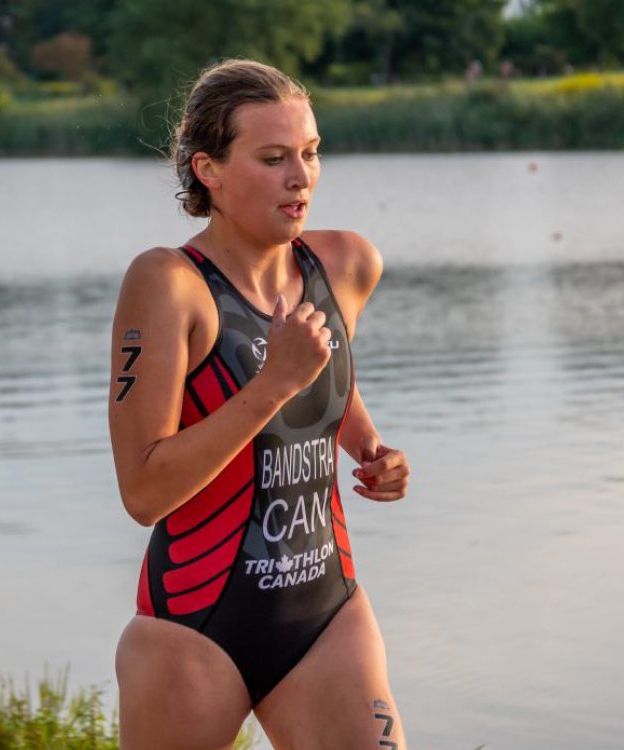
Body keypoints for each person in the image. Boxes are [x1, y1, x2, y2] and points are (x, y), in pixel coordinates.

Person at [108, 59, 411, 750]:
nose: (300, 176)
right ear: (208, 169)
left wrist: (370, 447)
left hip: (326, 612)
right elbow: (144, 490)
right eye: (273, 158)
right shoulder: (168, 285)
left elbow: (328, 373)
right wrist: (274, 382)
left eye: (310, 153)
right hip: (195, 626)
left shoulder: (344, 265)